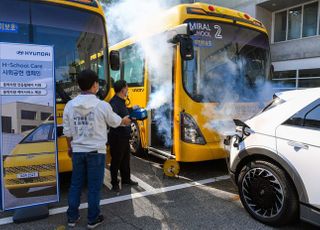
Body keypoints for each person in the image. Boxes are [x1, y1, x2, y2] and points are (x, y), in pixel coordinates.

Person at [63, 69, 131, 229]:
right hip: (96, 153)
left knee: (75, 185)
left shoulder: (69, 105)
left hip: (78, 151)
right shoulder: (102, 106)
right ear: (94, 85)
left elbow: (67, 132)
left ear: (79, 86)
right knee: (94, 187)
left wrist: (70, 147)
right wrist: (125, 121)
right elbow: (116, 122)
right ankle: (92, 219)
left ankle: (72, 218)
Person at [109, 80, 138, 192]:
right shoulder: (113, 103)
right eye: (126, 87)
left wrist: (133, 109)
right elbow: (113, 119)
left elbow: (124, 112)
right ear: (122, 90)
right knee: (116, 160)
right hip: (117, 136)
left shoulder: (121, 101)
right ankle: (114, 183)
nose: (128, 90)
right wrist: (124, 120)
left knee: (126, 159)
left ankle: (126, 179)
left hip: (124, 135)